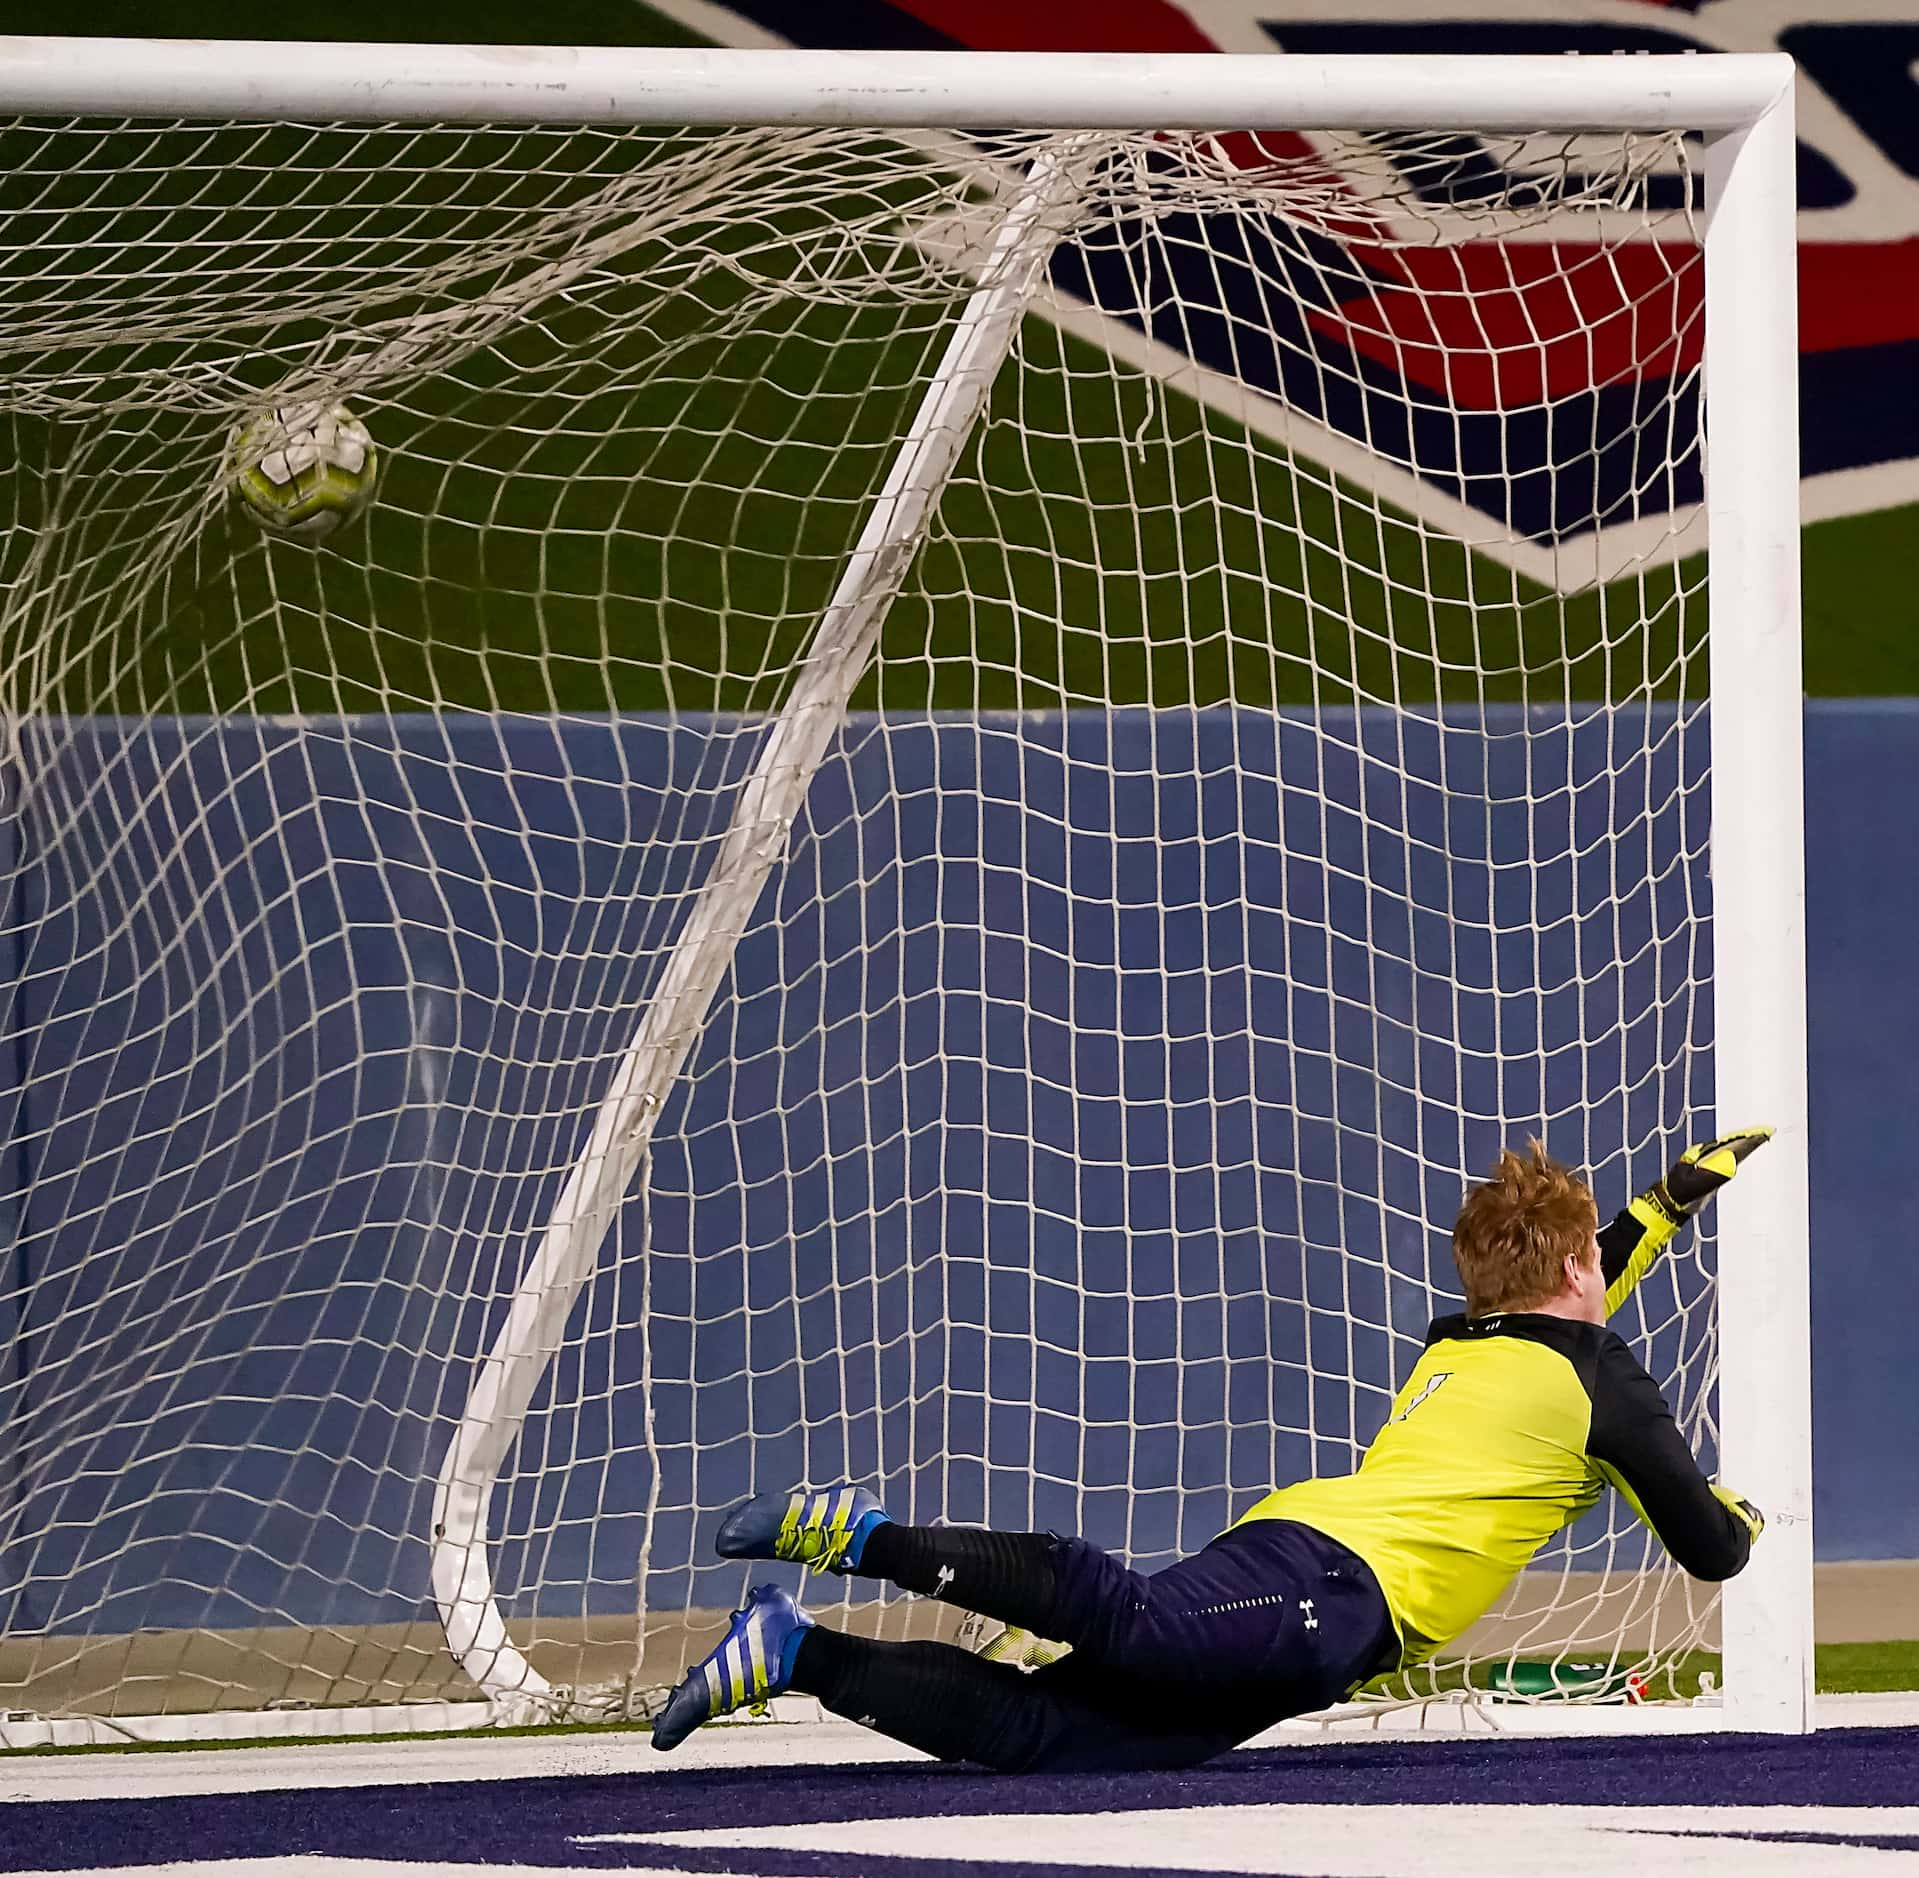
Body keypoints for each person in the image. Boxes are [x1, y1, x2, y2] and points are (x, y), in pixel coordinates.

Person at [653, 1129, 1772, 1771]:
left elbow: (1571, 1284)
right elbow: (1710, 1553)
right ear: (1576, 1277)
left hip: (1317, 1603)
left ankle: (793, 1654)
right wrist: (1742, 1515)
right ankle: (854, 1534)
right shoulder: (1599, 1385)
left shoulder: (1470, 1336)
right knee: (1127, 1619)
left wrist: (1657, 1208)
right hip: (1325, 1586)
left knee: (1045, 1741)